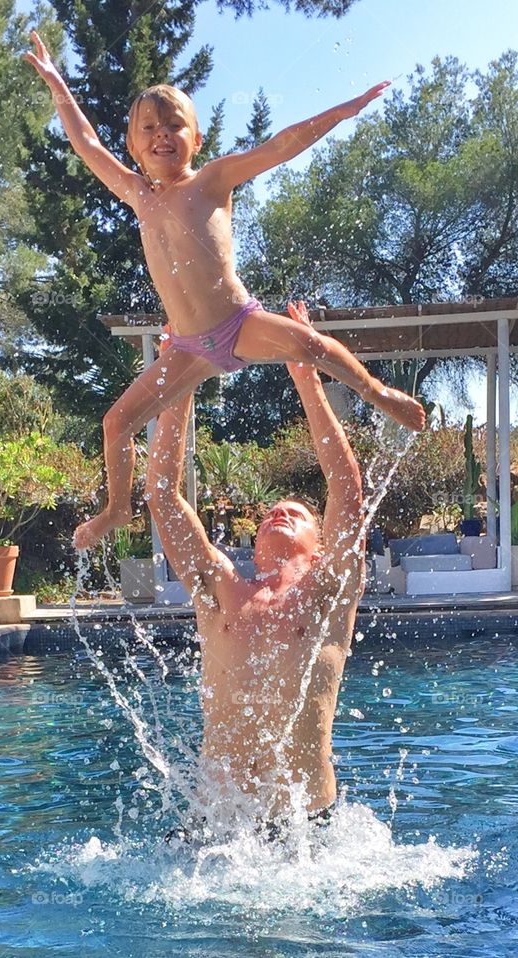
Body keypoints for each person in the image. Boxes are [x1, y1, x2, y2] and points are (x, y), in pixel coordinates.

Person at [23, 33, 426, 551]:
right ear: (132, 144)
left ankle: (380, 393)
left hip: (239, 323)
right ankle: (117, 508)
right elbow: (85, 143)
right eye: (148, 128)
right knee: (115, 423)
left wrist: (343, 111)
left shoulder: (212, 180)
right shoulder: (137, 194)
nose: (161, 135)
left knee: (311, 346)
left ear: (196, 138)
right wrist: (60, 87)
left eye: (174, 125)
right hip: (188, 348)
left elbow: (281, 145)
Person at [145, 301, 366, 832]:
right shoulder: (222, 589)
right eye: (272, 512)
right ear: (255, 542)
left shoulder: (327, 589)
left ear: (319, 546)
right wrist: (183, 378)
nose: (282, 511)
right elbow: (163, 496)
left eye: (298, 513)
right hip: (216, 823)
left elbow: (348, 490)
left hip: (305, 828)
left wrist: (307, 378)